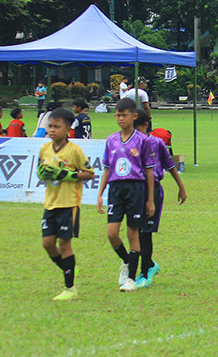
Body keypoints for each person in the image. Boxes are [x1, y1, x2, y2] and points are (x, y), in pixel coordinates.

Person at [95, 97, 156, 292]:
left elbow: (148, 171)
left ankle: (130, 279)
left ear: (134, 116)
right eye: (117, 115)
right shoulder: (111, 140)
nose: (120, 119)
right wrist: (99, 194)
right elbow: (106, 169)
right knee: (112, 233)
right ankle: (126, 260)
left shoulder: (143, 141)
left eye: (124, 115)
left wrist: (150, 200)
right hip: (116, 190)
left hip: (135, 189)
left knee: (132, 233)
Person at [37, 107, 95, 301]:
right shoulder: (44, 148)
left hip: (69, 204)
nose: (52, 130)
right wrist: (42, 173)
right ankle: (69, 267)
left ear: (68, 129)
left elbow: (89, 173)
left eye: (56, 127)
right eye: (50, 126)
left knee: (64, 243)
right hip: (50, 204)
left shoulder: (74, 150)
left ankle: (70, 288)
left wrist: (67, 175)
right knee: (47, 244)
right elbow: (40, 170)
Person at [134, 110, 187, 286]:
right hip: (134, 190)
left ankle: (144, 272)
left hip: (152, 191)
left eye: (137, 127)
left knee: (146, 233)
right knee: (135, 232)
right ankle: (148, 265)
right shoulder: (128, 144)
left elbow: (170, 165)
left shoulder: (156, 143)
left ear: (145, 126)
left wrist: (181, 187)